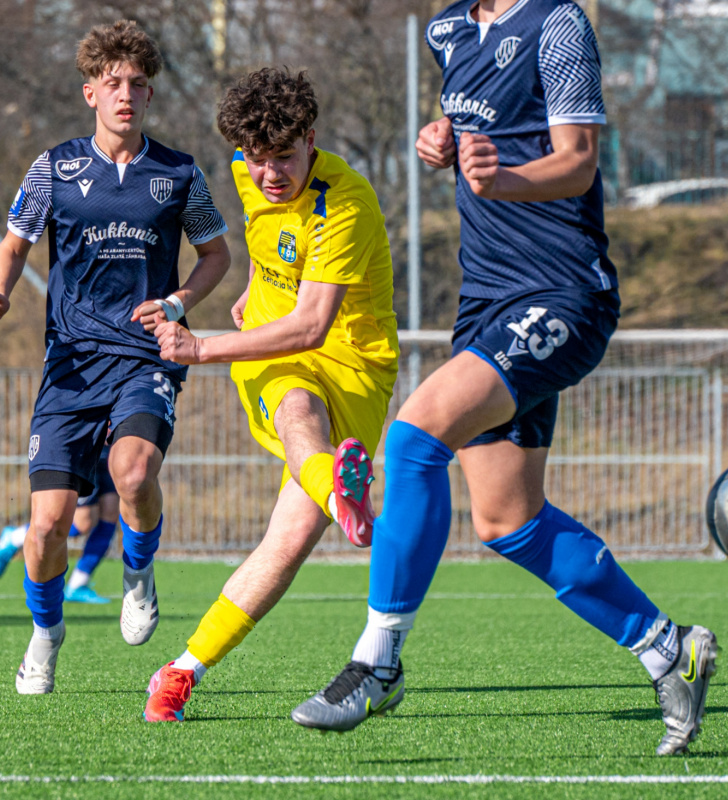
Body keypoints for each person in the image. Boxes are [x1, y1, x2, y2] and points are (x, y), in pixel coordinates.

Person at [290, 0, 717, 756]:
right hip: (487, 300)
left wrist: (505, 179)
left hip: (563, 293)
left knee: (414, 436)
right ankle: (665, 648)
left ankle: (377, 662)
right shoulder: (446, 29)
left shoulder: (557, 24)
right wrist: (442, 139)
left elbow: (579, 157)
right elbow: (480, 125)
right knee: (506, 520)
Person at [0, 20, 230, 694]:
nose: (125, 95)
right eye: (112, 83)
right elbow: (13, 244)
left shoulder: (178, 173)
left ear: (149, 96)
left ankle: (138, 573)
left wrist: (178, 303)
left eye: (137, 84)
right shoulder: (53, 168)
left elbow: (217, 255)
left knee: (135, 473)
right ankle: (45, 634)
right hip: (71, 368)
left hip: (145, 357)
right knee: (47, 525)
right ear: (90, 92)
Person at [141, 67, 399, 722]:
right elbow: (261, 232)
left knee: (285, 544)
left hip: (358, 368)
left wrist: (197, 348)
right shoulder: (245, 167)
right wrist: (256, 286)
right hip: (274, 354)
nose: (268, 174)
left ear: (311, 139)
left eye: (283, 157)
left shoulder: (346, 203)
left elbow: (313, 325)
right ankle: (340, 490)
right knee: (295, 408)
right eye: (256, 159)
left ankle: (180, 669)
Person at [0, 445, 118, 604]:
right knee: (83, 523)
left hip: (110, 450)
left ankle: (78, 583)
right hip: (87, 447)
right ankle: (15, 537)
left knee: (111, 511)